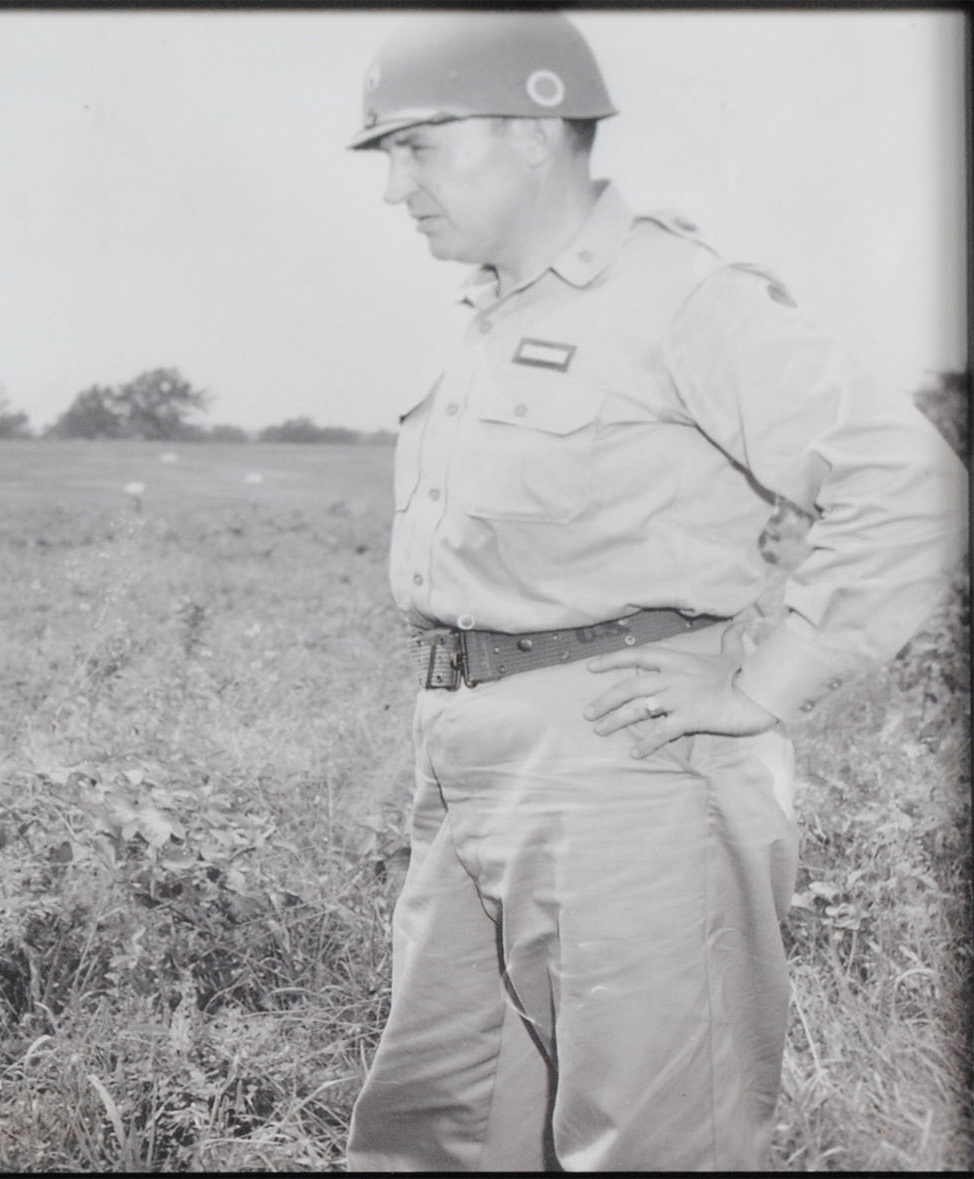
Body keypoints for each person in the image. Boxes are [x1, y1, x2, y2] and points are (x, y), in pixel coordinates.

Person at [341, 13, 965, 1171]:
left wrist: (771, 683)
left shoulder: (681, 297)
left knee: (652, 1142)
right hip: (477, 763)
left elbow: (908, 480)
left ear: (533, 133)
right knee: (440, 1126)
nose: (395, 186)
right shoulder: (499, 317)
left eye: (417, 146)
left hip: (632, 771)